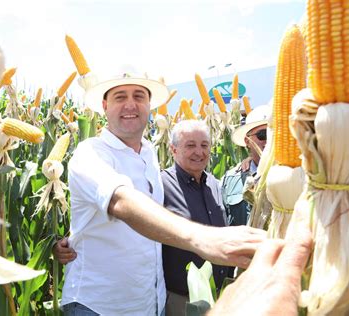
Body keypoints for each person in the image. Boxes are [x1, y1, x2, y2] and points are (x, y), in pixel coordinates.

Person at [54, 71, 266, 315]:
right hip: (98, 305)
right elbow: (120, 200)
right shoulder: (90, 153)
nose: (130, 104)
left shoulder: (149, 155)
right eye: (120, 97)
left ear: (149, 105)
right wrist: (203, 239)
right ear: (104, 106)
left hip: (148, 304)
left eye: (139, 96)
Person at [161, 120, 229, 315]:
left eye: (204, 145)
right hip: (181, 301)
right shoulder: (161, 185)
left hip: (217, 296)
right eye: (190, 145)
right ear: (173, 150)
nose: (199, 152)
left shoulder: (215, 184)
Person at [221, 105, 270, 226]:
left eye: (273, 134)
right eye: (262, 135)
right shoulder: (230, 179)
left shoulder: (294, 174)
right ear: (247, 141)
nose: (269, 140)